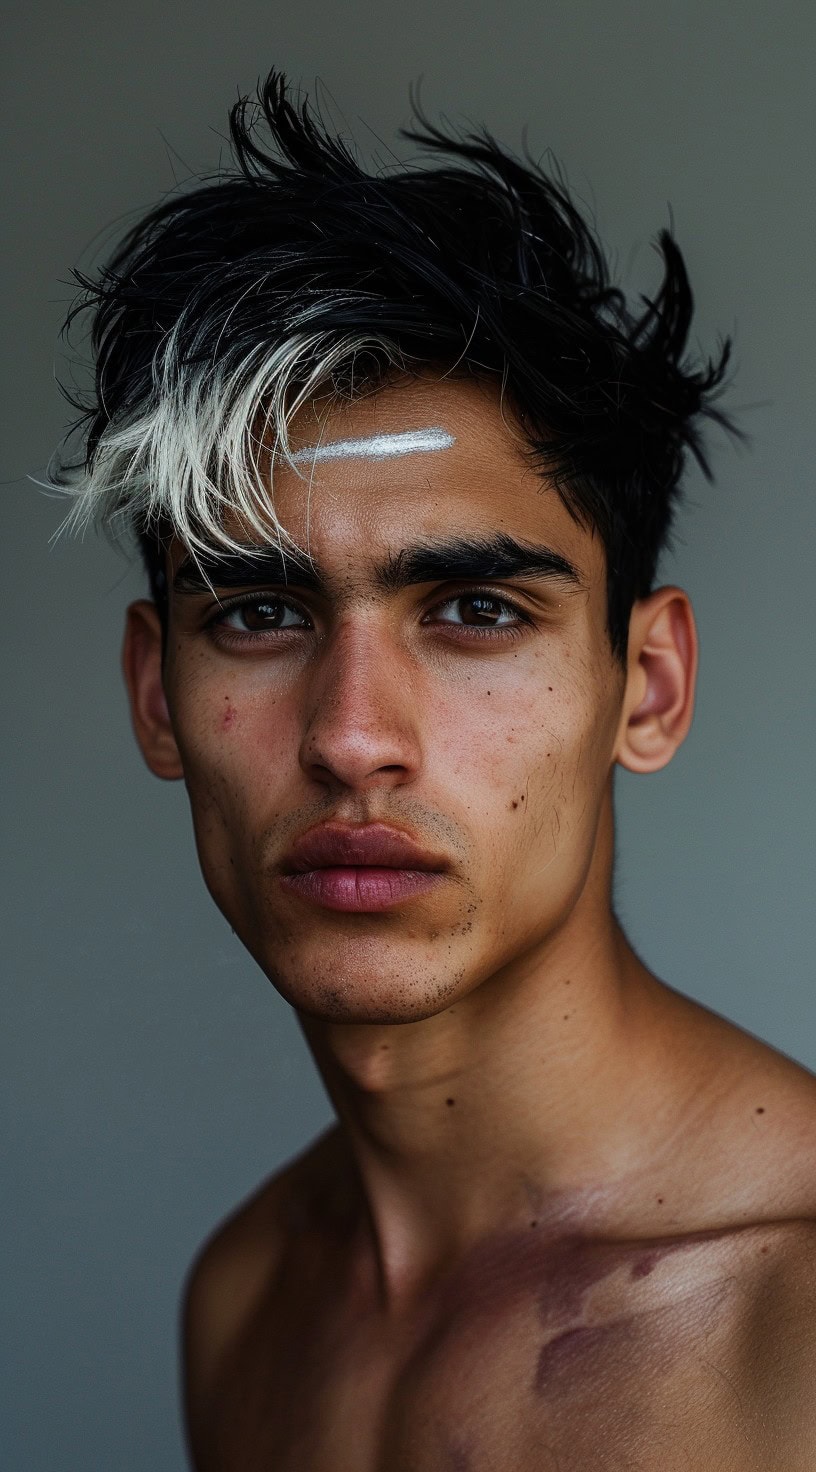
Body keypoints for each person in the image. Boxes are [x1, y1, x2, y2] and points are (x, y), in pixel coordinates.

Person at [54, 69, 816, 1472]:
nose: (352, 735)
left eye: (474, 612)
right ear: (158, 697)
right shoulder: (245, 1304)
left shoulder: (792, 1324)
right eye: (260, 614)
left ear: (644, 686)